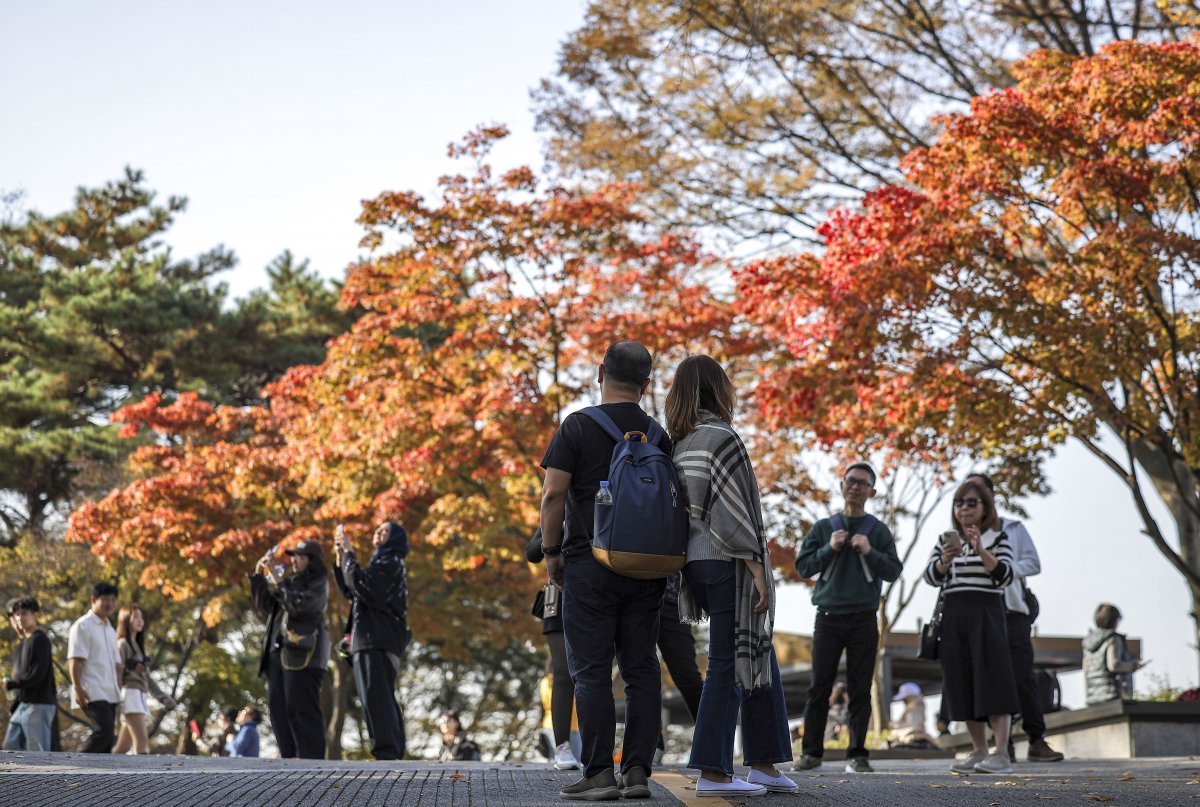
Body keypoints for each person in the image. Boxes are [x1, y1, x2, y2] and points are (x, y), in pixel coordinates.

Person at [539, 340, 668, 801]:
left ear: (600, 373)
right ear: (646, 384)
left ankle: (598, 774)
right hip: (647, 567)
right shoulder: (658, 436)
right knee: (641, 671)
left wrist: (552, 552)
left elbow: (554, 495)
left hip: (588, 565)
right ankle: (637, 772)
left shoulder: (577, 426)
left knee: (590, 670)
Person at [668, 354, 797, 797]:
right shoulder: (722, 438)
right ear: (719, 390)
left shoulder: (678, 442)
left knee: (756, 649)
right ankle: (713, 770)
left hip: (693, 564)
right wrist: (759, 570)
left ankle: (763, 761)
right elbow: (732, 518)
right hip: (727, 562)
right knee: (727, 661)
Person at [794, 463, 903, 774]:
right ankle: (811, 753)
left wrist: (869, 551)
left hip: (864, 618)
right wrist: (829, 549)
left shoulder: (878, 531)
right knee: (819, 686)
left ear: (872, 491)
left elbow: (893, 571)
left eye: (862, 483)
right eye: (851, 481)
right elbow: (804, 568)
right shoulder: (823, 528)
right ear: (842, 486)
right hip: (828, 617)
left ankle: (858, 754)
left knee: (859, 687)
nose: (855, 487)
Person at [966, 472, 1063, 763]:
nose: (973, 501)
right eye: (967, 497)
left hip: (1011, 612)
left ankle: (1036, 740)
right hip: (978, 615)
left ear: (991, 498)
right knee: (985, 678)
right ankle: (1000, 745)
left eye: (979, 494)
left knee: (1022, 676)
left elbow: (1033, 563)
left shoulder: (1013, 528)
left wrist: (1003, 568)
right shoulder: (958, 534)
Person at [923, 479, 1019, 775]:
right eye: (959, 503)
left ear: (985, 507)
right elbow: (930, 576)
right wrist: (943, 562)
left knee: (994, 679)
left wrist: (980, 549)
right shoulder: (946, 539)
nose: (964, 508)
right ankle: (979, 750)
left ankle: (1001, 752)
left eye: (971, 502)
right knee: (961, 681)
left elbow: (1005, 575)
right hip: (954, 614)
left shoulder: (998, 537)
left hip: (987, 613)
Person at [333, 521, 411, 761]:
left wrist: (350, 554)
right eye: (377, 529)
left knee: (375, 695)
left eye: (384, 530)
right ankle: (390, 750)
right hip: (371, 638)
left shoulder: (390, 562)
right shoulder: (382, 562)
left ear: (395, 538)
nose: (377, 532)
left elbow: (362, 585)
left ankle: (387, 752)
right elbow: (351, 590)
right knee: (378, 695)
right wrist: (341, 560)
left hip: (377, 638)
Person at [250, 539, 330, 759]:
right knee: (278, 705)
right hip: (278, 650)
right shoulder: (289, 582)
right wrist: (259, 578)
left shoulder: (318, 584)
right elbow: (265, 607)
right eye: (294, 556)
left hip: (304, 653)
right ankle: (289, 755)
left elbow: (299, 606)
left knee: (301, 705)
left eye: (301, 556)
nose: (295, 560)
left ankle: (311, 758)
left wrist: (278, 581)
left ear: (312, 561)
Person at [526, 528, 582, 771]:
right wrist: (555, 531)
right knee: (562, 673)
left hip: (596, 594)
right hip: (557, 598)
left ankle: (595, 746)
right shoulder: (556, 511)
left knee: (590, 673)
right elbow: (531, 553)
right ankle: (562, 747)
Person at [113, 605, 177, 754]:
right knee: (142, 745)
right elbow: (117, 673)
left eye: (142, 618)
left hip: (139, 696)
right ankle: (143, 778)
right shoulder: (122, 644)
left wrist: (164, 698)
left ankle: (102, 774)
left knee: (120, 750)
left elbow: (147, 679)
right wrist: (115, 701)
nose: (141, 621)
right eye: (137, 617)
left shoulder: (138, 648)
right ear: (126, 619)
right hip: (130, 695)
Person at [655, 571, 703, 763]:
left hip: (673, 598)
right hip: (635, 595)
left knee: (688, 675)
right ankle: (652, 744)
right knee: (641, 673)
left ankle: (710, 739)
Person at [68, 582, 122, 753]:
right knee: (103, 732)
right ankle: (75, 769)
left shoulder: (110, 630)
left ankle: (100, 777)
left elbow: (116, 664)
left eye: (113, 600)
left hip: (110, 691)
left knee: (107, 741)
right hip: (91, 689)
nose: (110, 604)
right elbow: (75, 660)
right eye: (106, 599)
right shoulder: (83, 625)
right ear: (94, 599)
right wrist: (77, 688)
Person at [2, 597, 56, 752]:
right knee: (10, 746)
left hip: (39, 704)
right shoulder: (24, 642)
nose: (20, 618)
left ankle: (45, 777)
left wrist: (15, 683)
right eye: (17, 614)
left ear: (36, 615)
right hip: (23, 704)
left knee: (37, 751)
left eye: (24, 613)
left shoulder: (40, 640)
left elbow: (37, 673)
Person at [1084, 603, 1146, 706]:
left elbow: (1086, 669)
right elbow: (1114, 665)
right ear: (1115, 621)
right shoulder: (1113, 639)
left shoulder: (1088, 643)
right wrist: (1134, 665)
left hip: (1093, 698)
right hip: (1111, 695)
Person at [889, 682, 935, 749]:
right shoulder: (913, 708)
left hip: (914, 740)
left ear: (910, 697)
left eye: (905, 699)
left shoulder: (916, 708)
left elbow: (915, 729)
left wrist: (896, 731)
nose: (903, 701)